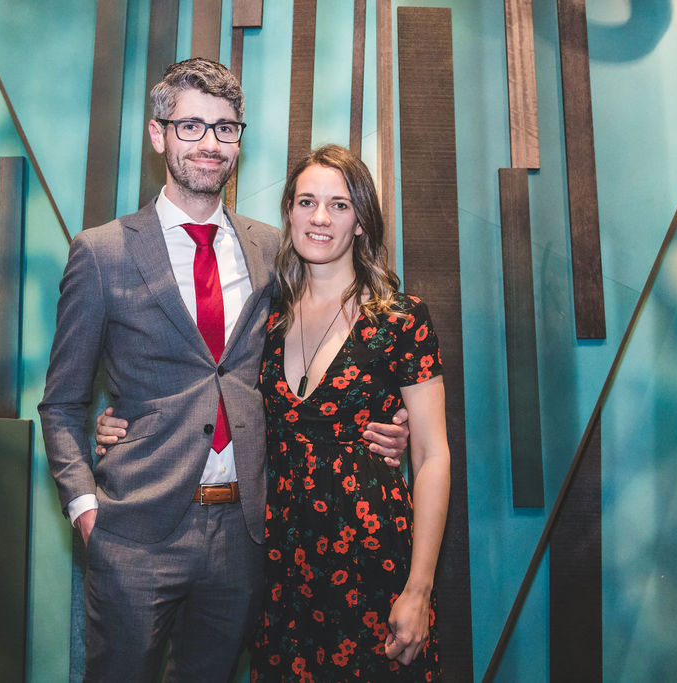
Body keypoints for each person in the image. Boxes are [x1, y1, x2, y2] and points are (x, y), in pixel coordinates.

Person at [38, 58, 408, 683]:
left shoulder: (272, 248)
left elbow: (334, 336)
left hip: (245, 533)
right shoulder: (102, 252)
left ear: (239, 139)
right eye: (191, 126)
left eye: (225, 128)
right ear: (158, 134)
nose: (210, 143)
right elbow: (61, 401)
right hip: (134, 531)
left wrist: (389, 419)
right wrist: (84, 507)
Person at [249, 144, 450, 681]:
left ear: (360, 221)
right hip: (281, 568)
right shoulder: (264, 318)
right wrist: (123, 424)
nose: (320, 217)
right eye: (306, 202)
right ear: (289, 212)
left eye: (339, 205)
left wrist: (419, 589)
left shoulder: (401, 320)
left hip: (370, 558)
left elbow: (432, 456)